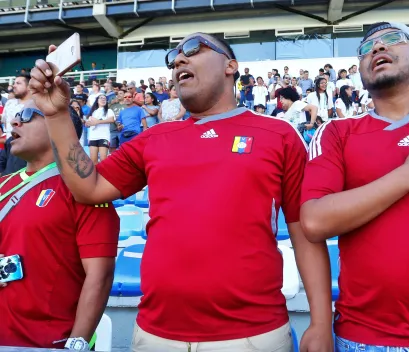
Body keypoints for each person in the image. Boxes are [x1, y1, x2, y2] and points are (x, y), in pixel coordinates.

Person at [30, 32, 333, 352]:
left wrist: (321, 322)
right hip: (155, 336)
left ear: (231, 65)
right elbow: (88, 189)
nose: (178, 60)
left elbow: (303, 234)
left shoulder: (278, 134)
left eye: (192, 49)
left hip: (252, 337)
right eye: (173, 57)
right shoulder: (155, 139)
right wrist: (57, 114)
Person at [301, 22, 409, 351]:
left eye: (392, 39)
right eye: (366, 48)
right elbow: (314, 221)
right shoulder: (337, 132)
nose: (377, 48)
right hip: (365, 338)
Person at [0, 101, 119, 349]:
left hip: (48, 343)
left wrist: (76, 345)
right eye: (16, 115)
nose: (14, 121)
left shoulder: (86, 191)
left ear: (60, 126)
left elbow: (99, 276)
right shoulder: (3, 184)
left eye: (28, 114)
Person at [87, 94, 115, 163]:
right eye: (101, 98)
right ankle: (96, 174)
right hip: (93, 137)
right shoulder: (93, 112)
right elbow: (88, 124)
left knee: (103, 159)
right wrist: (87, 123)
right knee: (93, 161)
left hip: (104, 136)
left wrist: (97, 122)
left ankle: (105, 173)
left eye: (104, 99)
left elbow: (111, 120)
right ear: (97, 101)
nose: (103, 99)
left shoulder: (109, 111)